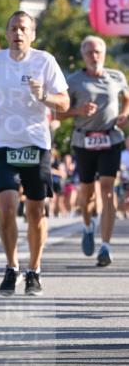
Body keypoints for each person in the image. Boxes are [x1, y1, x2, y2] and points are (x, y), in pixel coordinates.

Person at [0, 11, 69, 296]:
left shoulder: (45, 61)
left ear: (33, 35)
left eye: (24, 29)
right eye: (13, 28)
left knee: (35, 211)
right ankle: (11, 266)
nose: (18, 33)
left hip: (35, 143)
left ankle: (34, 269)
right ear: (6, 34)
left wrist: (45, 97)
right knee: (5, 207)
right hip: (3, 143)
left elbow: (64, 103)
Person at [59, 35, 129, 267]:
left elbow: (127, 98)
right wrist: (77, 110)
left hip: (110, 139)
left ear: (104, 54)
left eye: (98, 51)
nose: (94, 56)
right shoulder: (74, 80)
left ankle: (106, 246)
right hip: (84, 141)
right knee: (87, 191)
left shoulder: (116, 76)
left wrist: (125, 114)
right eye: (89, 52)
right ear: (83, 55)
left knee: (107, 189)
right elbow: (60, 113)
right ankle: (88, 226)